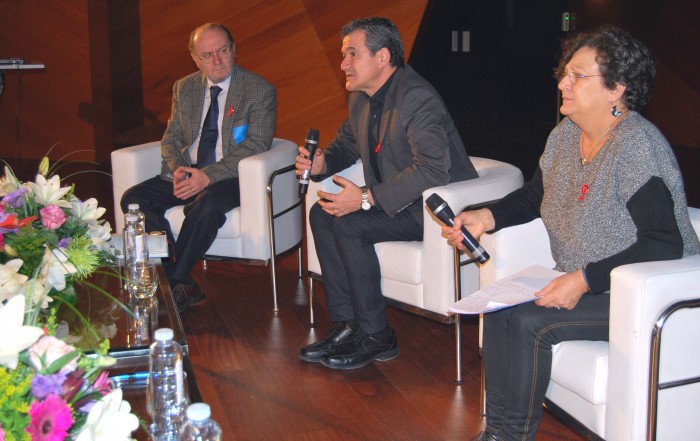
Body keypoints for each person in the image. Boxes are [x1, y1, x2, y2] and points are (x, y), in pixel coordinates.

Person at [442, 27, 700, 441]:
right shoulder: (564, 136)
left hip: (641, 292)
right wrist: (486, 216)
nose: (563, 82)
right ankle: (497, 432)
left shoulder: (635, 146)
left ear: (616, 88)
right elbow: (535, 196)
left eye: (578, 76)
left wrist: (582, 280)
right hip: (592, 280)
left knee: (528, 321)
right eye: (565, 73)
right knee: (497, 309)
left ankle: (512, 436)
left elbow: (663, 242)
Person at [295, 17, 478, 371]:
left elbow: (432, 170)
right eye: (342, 54)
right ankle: (348, 325)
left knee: (350, 226)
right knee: (322, 213)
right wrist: (321, 164)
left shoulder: (416, 97)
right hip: (395, 199)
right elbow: (347, 146)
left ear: (382, 57)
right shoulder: (361, 98)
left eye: (352, 53)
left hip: (433, 207)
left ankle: (378, 335)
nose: (343, 63)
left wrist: (365, 199)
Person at [121, 22, 276, 313]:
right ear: (195, 58)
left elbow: (256, 144)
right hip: (187, 170)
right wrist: (179, 168)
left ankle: (170, 281)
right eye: (207, 55)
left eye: (222, 51)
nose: (217, 60)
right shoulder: (185, 87)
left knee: (206, 206)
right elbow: (172, 137)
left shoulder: (258, 89)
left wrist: (207, 176)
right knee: (133, 200)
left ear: (234, 49)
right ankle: (177, 278)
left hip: (230, 175)